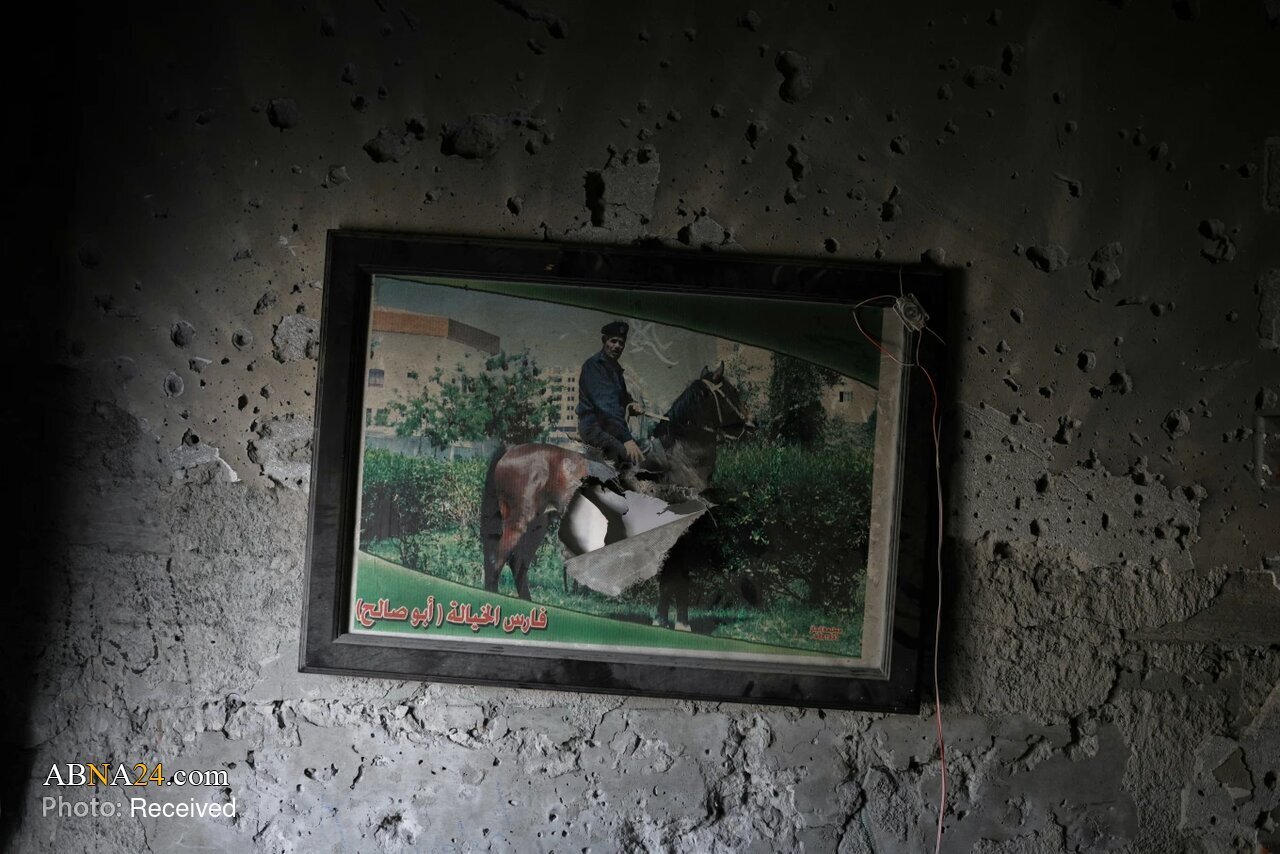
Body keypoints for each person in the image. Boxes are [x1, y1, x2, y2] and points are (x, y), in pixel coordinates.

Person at [577, 320, 645, 466]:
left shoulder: (615, 370)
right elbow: (607, 406)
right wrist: (626, 439)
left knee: (642, 450)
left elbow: (621, 398)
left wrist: (632, 404)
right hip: (593, 428)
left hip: (609, 429)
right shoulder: (594, 366)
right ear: (604, 340)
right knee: (631, 458)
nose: (617, 346)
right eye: (613, 341)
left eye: (621, 343)